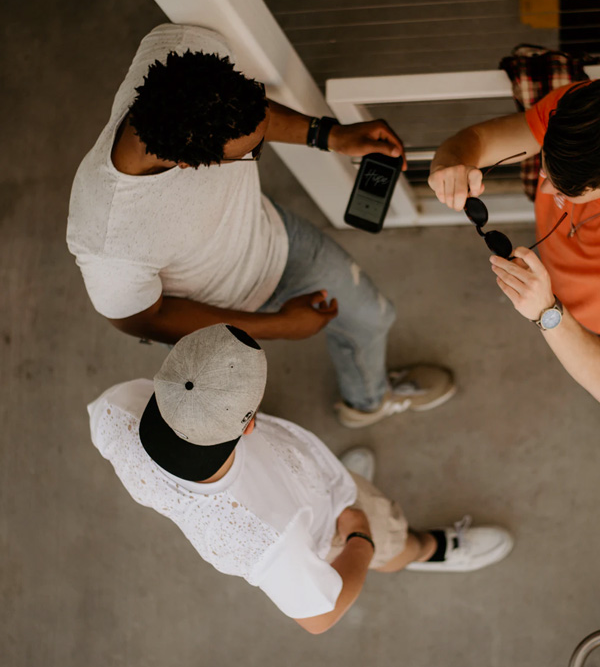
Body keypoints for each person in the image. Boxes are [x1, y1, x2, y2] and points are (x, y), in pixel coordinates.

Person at [68, 23, 455, 428]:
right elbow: (143, 319)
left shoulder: (181, 51)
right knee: (234, 423)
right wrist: (280, 326)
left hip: (277, 240)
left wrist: (327, 134)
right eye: (251, 151)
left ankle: (367, 403)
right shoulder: (108, 237)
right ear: (188, 161)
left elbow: (252, 114)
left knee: (373, 317)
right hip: (216, 314)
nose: (258, 146)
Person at [87, 324, 514, 634]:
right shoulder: (270, 536)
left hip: (301, 490)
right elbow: (320, 616)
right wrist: (360, 537)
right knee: (390, 535)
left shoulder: (115, 410)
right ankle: (429, 550)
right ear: (249, 425)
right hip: (329, 528)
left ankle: (333, 489)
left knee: (332, 486)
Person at [428, 80, 600, 437]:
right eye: (545, 170)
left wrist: (547, 312)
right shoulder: (581, 113)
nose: (544, 189)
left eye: (567, 189)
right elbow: (477, 140)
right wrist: (450, 164)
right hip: (566, 281)